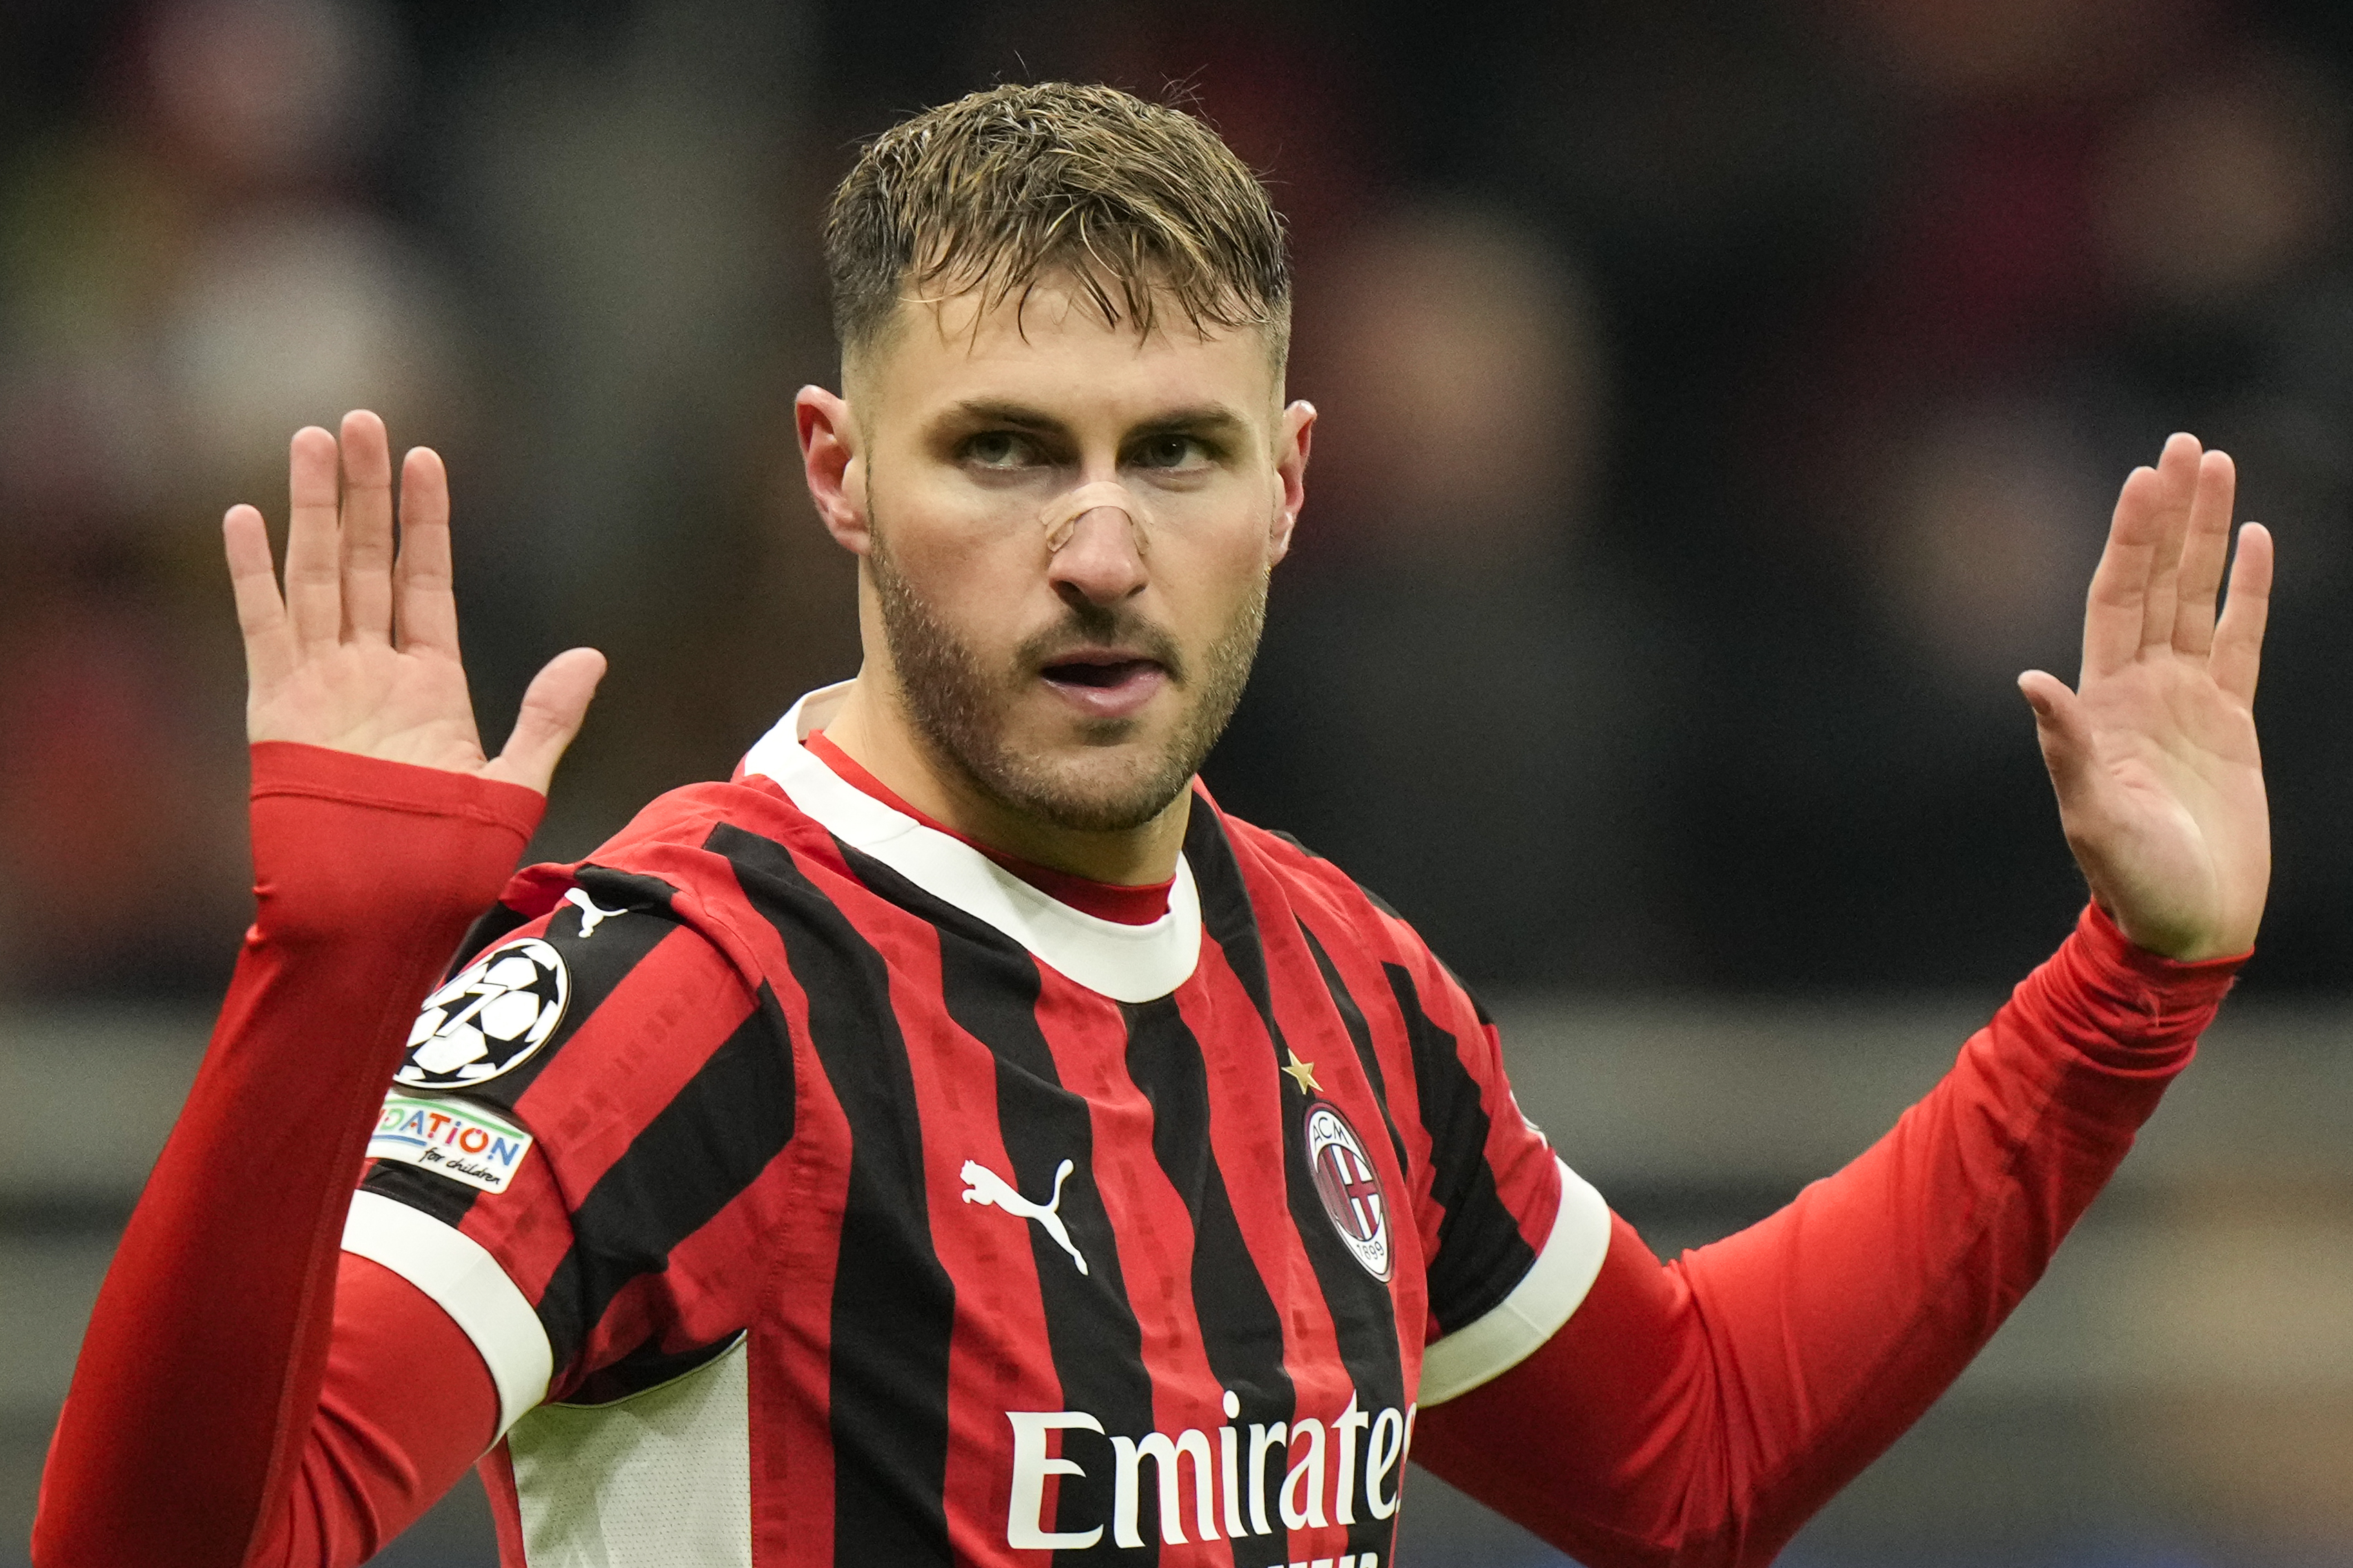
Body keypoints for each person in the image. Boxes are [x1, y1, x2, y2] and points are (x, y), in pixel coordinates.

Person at [34, 82, 2272, 1568]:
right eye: (1005, 450)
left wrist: (2132, 985)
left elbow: (1692, 1453)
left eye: (1175, 455)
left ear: (1288, 483)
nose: (1100, 551)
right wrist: (329, 984)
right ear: (837, 470)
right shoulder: (684, 994)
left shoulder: (1345, 988)